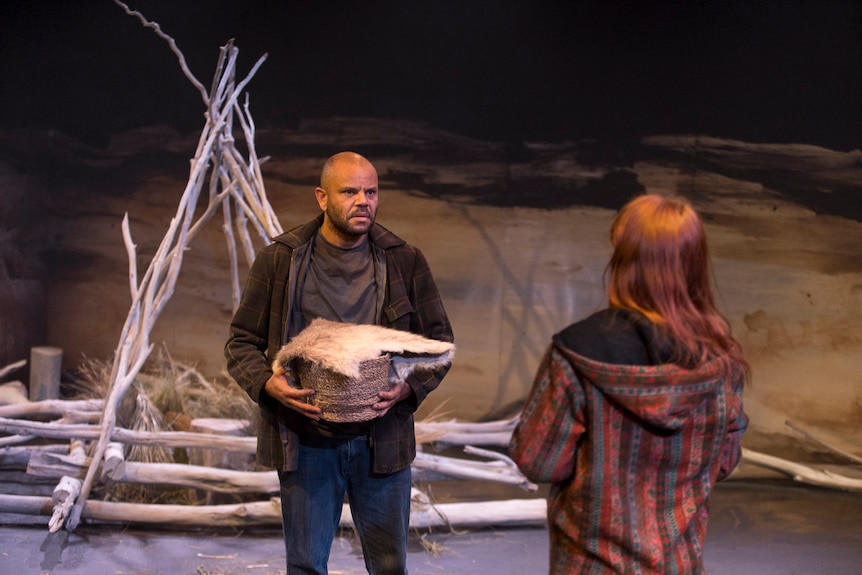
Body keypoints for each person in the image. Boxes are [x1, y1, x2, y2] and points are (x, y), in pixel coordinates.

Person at [225, 151, 453, 575]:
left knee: (389, 566)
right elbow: (240, 342)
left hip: (381, 439)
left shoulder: (404, 260)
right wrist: (267, 385)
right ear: (322, 198)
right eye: (349, 191)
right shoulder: (282, 260)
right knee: (306, 566)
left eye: (371, 191)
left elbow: (438, 345)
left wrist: (408, 386)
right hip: (306, 438)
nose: (363, 201)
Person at [509, 194, 749, 575]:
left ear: (623, 261)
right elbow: (723, 461)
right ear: (695, 263)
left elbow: (539, 460)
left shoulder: (577, 353)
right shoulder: (721, 362)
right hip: (678, 563)